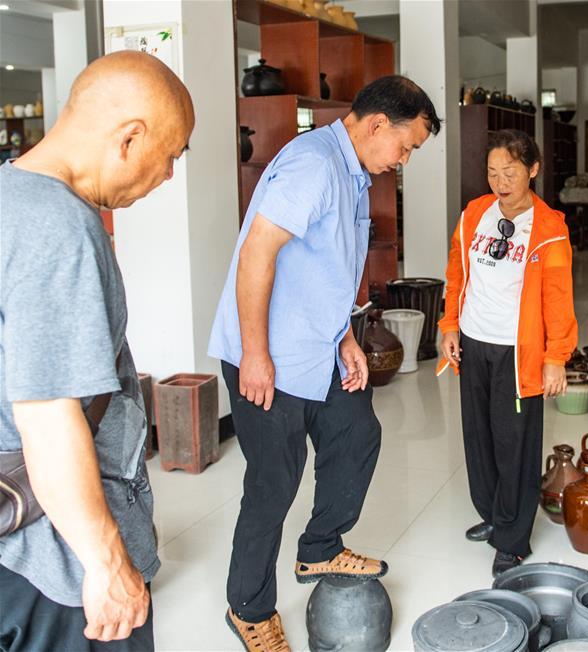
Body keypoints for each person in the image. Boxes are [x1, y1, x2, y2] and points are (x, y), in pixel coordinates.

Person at [208, 75, 439, 651]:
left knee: (357, 433)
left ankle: (319, 549)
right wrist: (255, 354)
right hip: (269, 354)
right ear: (378, 124)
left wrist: (346, 339)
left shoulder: (354, 173)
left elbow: (323, 268)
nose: (404, 159)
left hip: (316, 348)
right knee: (273, 483)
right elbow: (257, 255)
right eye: (406, 145)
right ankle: (248, 608)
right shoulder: (314, 165)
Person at [0, 51, 194, 649]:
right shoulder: (57, 226)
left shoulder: (9, 192)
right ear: (129, 137)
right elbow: (49, 414)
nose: (167, 175)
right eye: (170, 156)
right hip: (57, 561)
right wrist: (106, 563)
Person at [438, 129, 577, 578]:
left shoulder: (549, 228)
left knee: (513, 442)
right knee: (478, 436)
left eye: (510, 173)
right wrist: (449, 325)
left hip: (518, 351)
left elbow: (558, 297)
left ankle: (513, 539)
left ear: (533, 170)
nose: (501, 182)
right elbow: (457, 273)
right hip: (474, 342)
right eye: (493, 172)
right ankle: (495, 514)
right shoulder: (475, 214)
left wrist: (556, 357)